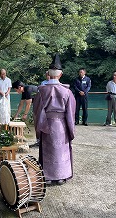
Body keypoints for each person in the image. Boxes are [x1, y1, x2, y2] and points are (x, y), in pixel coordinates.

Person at [33, 53, 76, 185]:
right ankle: (62, 176)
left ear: (48, 74)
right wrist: (71, 129)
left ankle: (48, 176)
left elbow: (37, 111)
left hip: (47, 124)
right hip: (62, 125)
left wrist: (39, 128)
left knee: (48, 150)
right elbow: (71, 113)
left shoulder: (42, 91)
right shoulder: (67, 92)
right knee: (61, 150)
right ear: (60, 74)